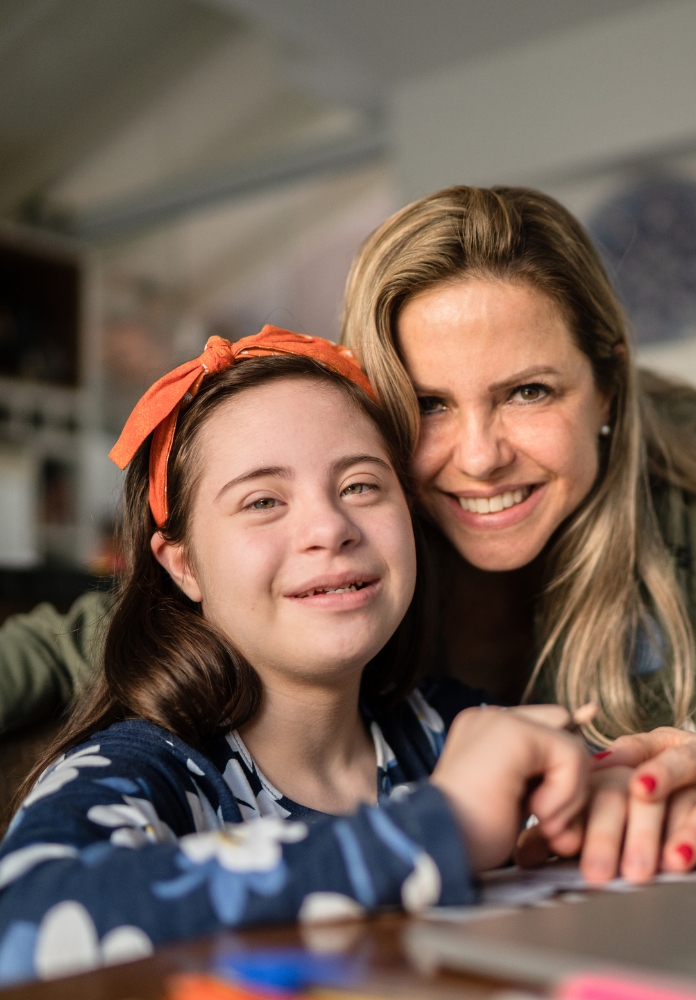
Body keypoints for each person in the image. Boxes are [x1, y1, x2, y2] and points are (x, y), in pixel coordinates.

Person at [0, 186, 696, 880]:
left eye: (529, 392)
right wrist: (432, 830)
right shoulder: (342, 534)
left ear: (606, 389)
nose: (482, 458)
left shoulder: (660, 476)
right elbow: (103, 644)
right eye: (429, 406)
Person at [0, 332, 601, 986]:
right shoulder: (149, 771)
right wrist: (434, 829)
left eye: (362, 485)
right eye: (263, 501)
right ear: (184, 565)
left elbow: (597, 808)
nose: (329, 528)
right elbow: (21, 923)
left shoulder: (456, 730)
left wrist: (634, 798)